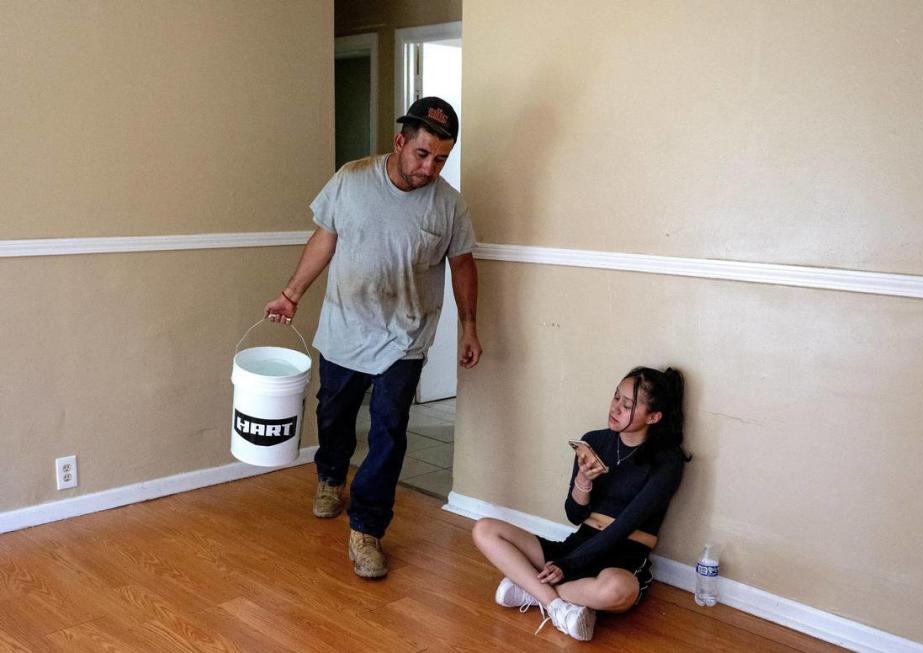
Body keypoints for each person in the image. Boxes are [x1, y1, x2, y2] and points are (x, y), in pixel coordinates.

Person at [264, 97, 481, 579]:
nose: (430, 167)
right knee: (333, 412)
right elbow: (326, 237)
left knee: (388, 432)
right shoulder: (351, 179)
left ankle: (367, 529)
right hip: (344, 325)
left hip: (405, 337)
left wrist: (468, 325)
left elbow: (462, 264)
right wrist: (291, 293)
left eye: (441, 159)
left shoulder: (449, 205)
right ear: (400, 141)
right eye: (423, 154)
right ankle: (330, 474)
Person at [472, 366, 689, 641]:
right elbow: (574, 515)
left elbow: (624, 526)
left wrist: (569, 566)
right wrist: (583, 482)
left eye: (628, 405)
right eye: (615, 397)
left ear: (654, 416)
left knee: (617, 590)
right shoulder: (594, 441)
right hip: (580, 543)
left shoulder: (667, 461)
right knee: (485, 529)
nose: (615, 408)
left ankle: (531, 591)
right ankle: (557, 605)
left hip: (624, 551)